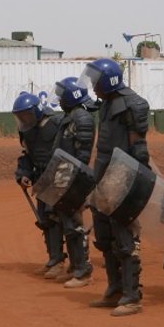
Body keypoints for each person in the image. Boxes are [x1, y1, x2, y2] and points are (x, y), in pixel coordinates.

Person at [82, 58, 151, 316]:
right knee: (104, 237)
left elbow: (139, 150)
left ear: (108, 81)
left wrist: (132, 185)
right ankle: (114, 289)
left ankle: (132, 295)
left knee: (125, 239)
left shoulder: (133, 105)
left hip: (123, 179)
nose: (92, 85)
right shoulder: (107, 104)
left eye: (95, 80)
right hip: (103, 179)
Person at [12, 91, 67, 278]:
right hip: (41, 180)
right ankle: (54, 259)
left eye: (27, 115)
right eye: (20, 116)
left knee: (62, 221)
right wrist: (23, 175)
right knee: (45, 221)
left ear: (37, 111)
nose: (24, 119)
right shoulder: (27, 132)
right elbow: (27, 156)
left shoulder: (57, 124)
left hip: (60, 179)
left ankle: (74, 264)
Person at [53, 76, 96, 288]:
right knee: (67, 225)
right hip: (64, 177)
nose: (59, 99)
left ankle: (83, 271)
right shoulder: (69, 117)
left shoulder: (82, 119)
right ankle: (75, 266)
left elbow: (82, 156)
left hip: (75, 180)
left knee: (75, 226)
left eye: (62, 96)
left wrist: (74, 184)